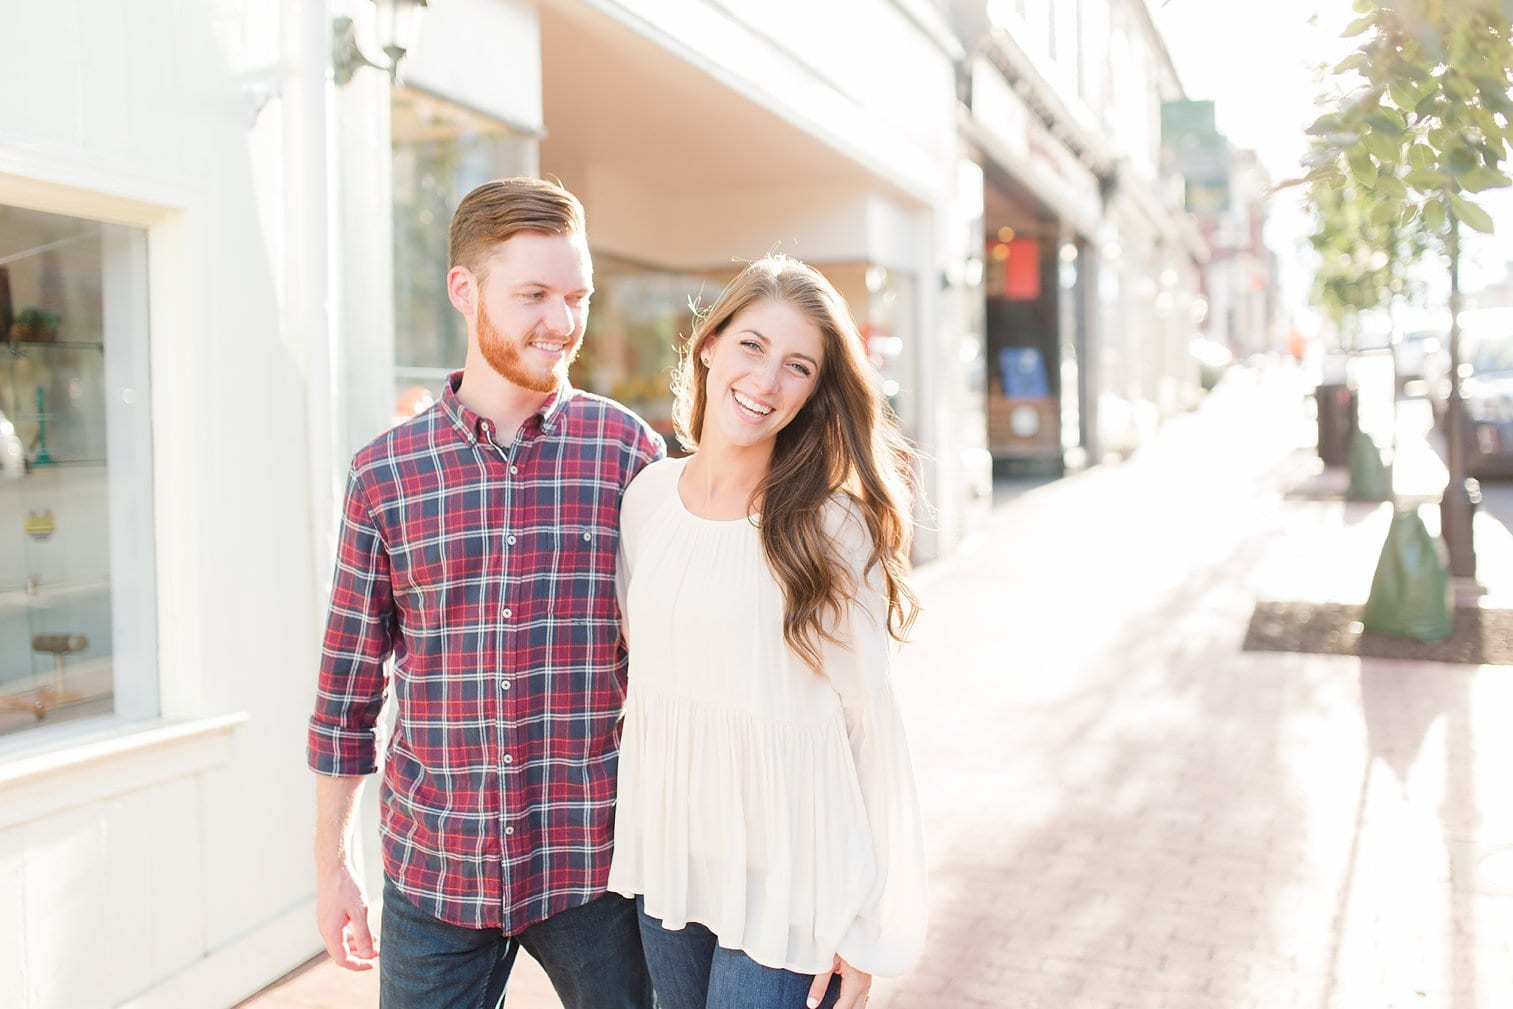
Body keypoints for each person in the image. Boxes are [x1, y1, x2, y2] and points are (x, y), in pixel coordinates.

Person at [307, 177, 662, 1009]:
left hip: (594, 870)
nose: (562, 320)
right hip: (436, 875)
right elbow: (345, 694)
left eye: (575, 295)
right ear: (464, 290)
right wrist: (332, 866)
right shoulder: (384, 474)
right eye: (533, 293)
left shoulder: (628, 454)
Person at [609, 256, 928, 1009]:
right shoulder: (648, 498)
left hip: (793, 874)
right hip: (674, 859)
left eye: (797, 366)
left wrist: (865, 923)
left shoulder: (833, 527)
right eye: (751, 346)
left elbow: (869, 724)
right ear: (710, 345)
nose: (765, 381)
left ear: (816, 392)